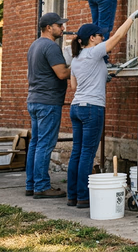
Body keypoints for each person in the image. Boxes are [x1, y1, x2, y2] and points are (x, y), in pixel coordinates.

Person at [66, 11, 138, 208]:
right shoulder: (94, 51)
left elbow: (74, 86)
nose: (103, 38)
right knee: (88, 154)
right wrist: (132, 17)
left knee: (77, 152)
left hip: (76, 107)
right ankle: (83, 197)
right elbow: (117, 37)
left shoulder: (76, 58)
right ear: (92, 38)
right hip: (92, 109)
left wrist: (101, 77)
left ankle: (72, 196)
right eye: (100, 36)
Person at [26, 12, 71, 199]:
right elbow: (61, 74)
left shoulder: (34, 45)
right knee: (44, 145)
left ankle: (32, 184)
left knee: (35, 144)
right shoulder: (50, 46)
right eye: (59, 25)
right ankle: (42, 186)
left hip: (35, 100)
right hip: (48, 102)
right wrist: (80, 64)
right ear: (48, 28)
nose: (63, 28)